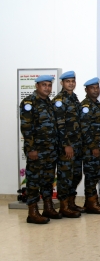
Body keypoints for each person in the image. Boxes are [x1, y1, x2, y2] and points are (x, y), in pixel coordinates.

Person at [20, 75, 58, 223]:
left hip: (50, 150)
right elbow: (26, 128)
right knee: (34, 180)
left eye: (49, 85)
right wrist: (31, 149)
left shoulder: (48, 102)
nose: (47, 88)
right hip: (37, 150)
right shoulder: (29, 102)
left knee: (48, 180)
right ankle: (33, 211)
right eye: (44, 85)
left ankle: (48, 207)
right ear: (37, 86)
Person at [79, 78, 100, 213]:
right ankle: (91, 203)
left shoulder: (97, 104)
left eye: (97, 88)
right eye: (92, 88)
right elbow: (84, 128)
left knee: (97, 174)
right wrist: (93, 146)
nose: (96, 90)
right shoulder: (86, 106)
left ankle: (92, 202)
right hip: (91, 149)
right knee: (92, 176)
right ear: (86, 90)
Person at [52, 71, 83, 217]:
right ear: (62, 83)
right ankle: (63, 206)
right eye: (68, 81)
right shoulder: (59, 100)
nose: (71, 83)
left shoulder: (74, 98)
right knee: (65, 176)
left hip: (77, 145)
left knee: (75, 175)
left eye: (73, 81)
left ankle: (71, 203)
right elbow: (60, 125)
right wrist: (66, 145)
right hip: (67, 146)